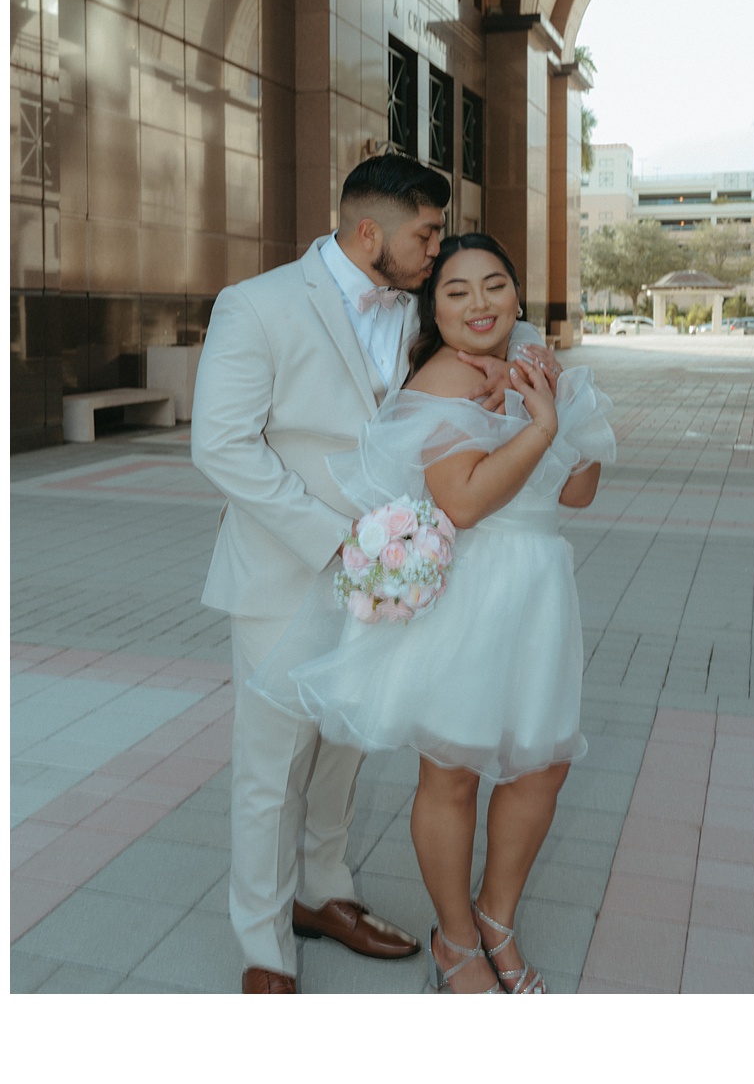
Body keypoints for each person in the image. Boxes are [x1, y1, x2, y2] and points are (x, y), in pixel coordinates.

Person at [191, 159, 558, 993]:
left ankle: (323, 893)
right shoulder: (258, 305)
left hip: (395, 575)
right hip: (289, 569)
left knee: (344, 747)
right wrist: (333, 540)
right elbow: (220, 446)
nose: (436, 250)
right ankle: (262, 946)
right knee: (270, 764)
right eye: (426, 234)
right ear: (369, 235)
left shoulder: (414, 312)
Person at [248, 232, 616, 993]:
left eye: (493, 286)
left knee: (540, 768)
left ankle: (496, 918)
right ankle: (453, 942)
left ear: (517, 295)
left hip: (540, 590)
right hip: (474, 594)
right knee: (452, 773)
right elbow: (464, 500)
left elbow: (577, 493)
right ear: (434, 310)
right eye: (456, 291)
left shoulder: (532, 366)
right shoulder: (442, 383)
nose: (479, 303)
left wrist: (555, 401)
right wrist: (538, 428)